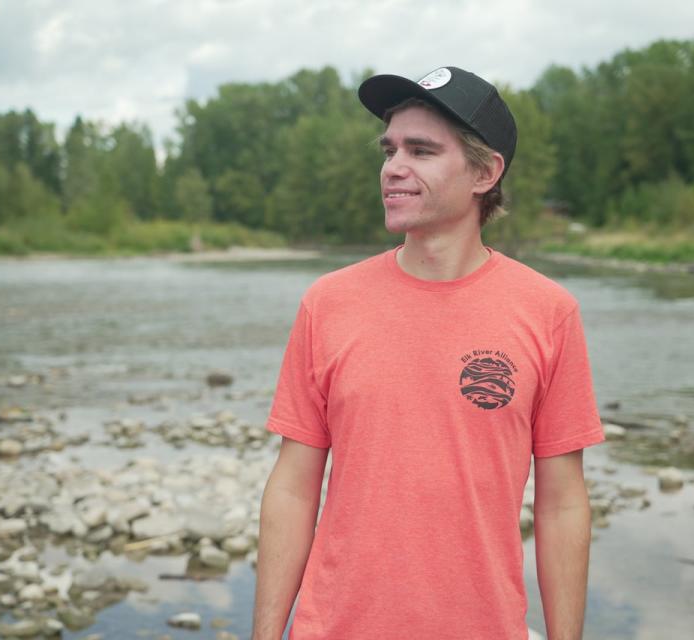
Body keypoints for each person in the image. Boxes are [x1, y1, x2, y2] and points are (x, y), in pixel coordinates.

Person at [252, 66, 605, 640]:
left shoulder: (548, 313)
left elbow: (563, 503)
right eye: (389, 150)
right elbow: (293, 485)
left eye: (421, 150)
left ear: (485, 172)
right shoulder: (328, 303)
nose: (393, 168)